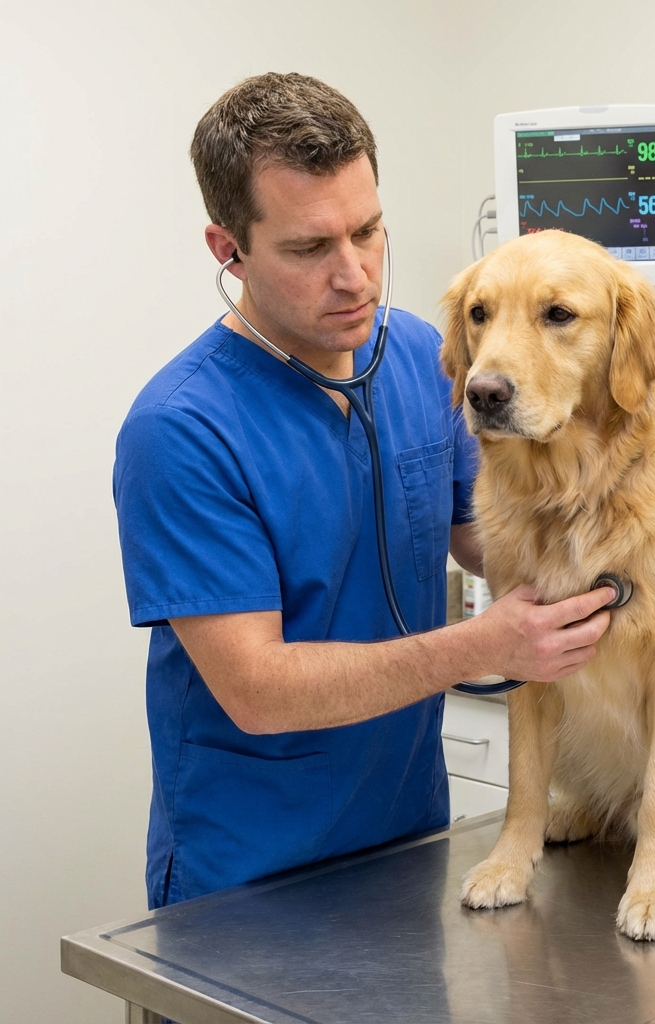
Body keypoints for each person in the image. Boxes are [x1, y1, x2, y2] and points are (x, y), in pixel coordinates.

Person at [113, 72, 615, 909]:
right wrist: (483, 646)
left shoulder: (423, 354)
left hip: (406, 840)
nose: (356, 277)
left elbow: (486, 538)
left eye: (369, 231)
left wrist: (651, 542)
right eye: (310, 249)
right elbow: (258, 690)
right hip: (248, 878)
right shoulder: (182, 429)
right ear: (226, 248)